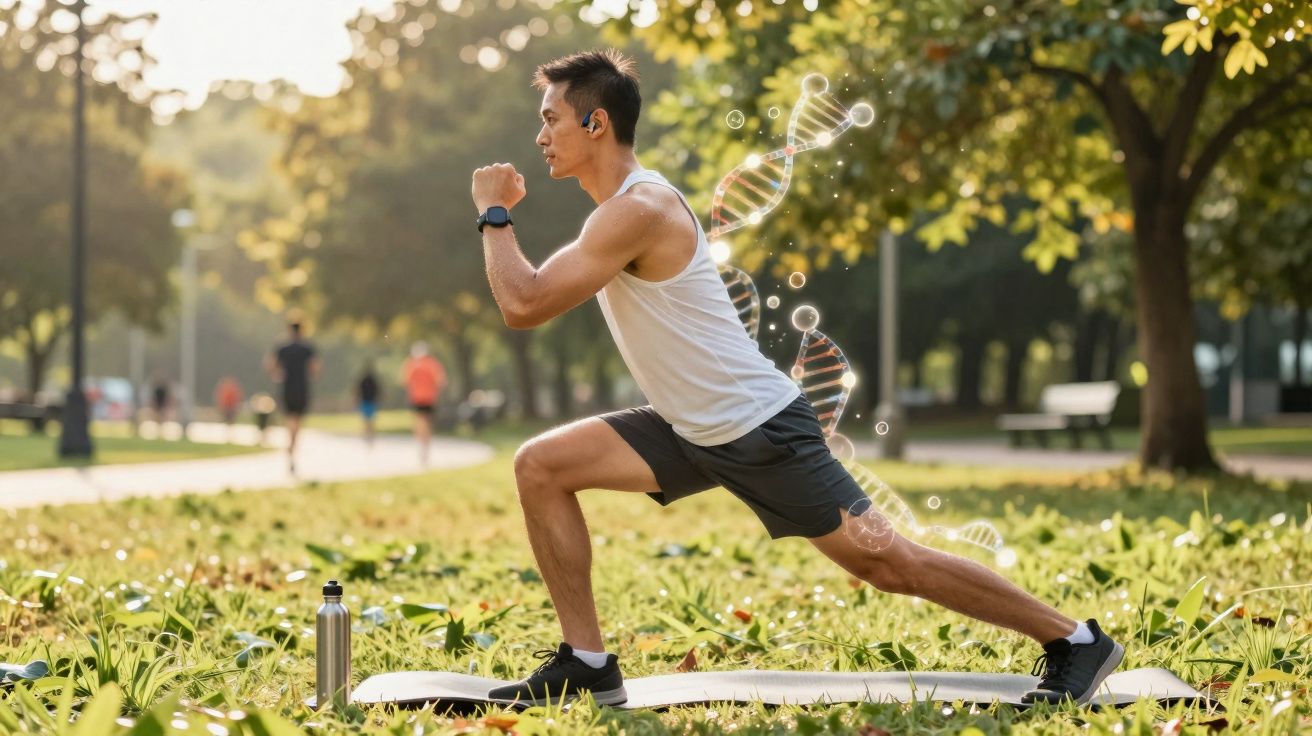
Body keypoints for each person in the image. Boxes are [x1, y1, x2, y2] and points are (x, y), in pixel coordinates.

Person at [469, 49, 1124, 708]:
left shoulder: (638, 209)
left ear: (596, 124)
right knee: (542, 467)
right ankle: (587, 661)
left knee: (887, 561)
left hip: (757, 430)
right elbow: (529, 295)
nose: (540, 136)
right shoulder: (614, 213)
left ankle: (1075, 640)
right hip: (687, 427)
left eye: (550, 119)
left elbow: (524, 304)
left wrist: (494, 211)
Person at [265, 318, 320, 474]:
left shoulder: (283, 347)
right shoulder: (307, 348)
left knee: (290, 419)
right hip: (302, 388)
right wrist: (309, 375)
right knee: (297, 420)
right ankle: (292, 446)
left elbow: (269, 364)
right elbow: (316, 368)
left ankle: (290, 446)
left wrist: (277, 374)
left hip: (287, 388)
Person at [401, 341, 445, 465]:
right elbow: (441, 381)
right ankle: (426, 445)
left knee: (419, 420)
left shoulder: (411, 364)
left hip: (416, 398)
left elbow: (405, 381)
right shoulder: (433, 364)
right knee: (428, 421)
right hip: (430, 398)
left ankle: (421, 443)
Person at [357, 361, 381, 448]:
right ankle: (370, 435)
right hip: (370, 402)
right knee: (370, 420)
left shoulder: (363, 380)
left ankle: (368, 435)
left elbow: (357, 391)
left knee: (366, 420)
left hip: (367, 402)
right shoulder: (371, 380)